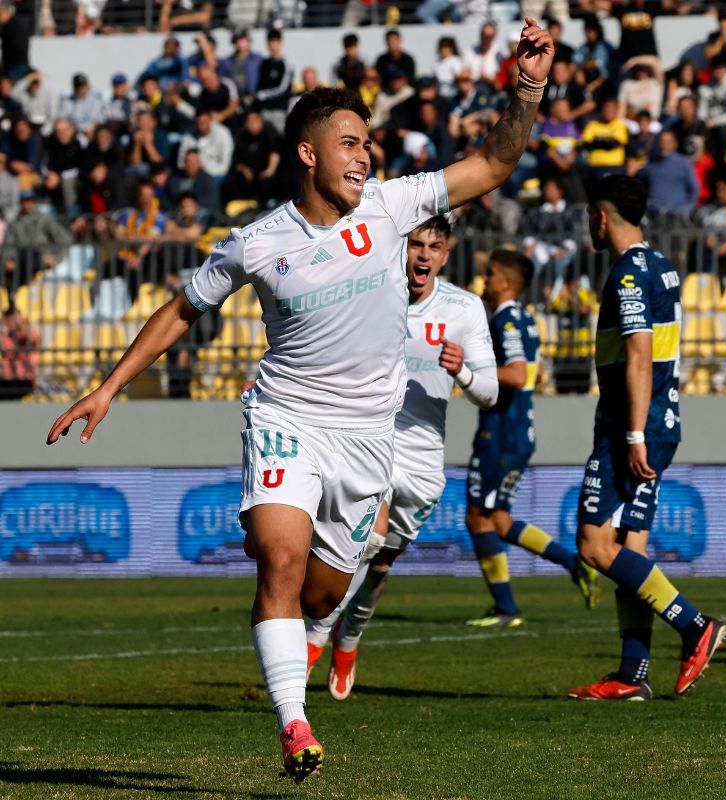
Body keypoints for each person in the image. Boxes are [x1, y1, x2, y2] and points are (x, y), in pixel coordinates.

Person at [45, 20, 556, 784]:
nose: (366, 154)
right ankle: (295, 724)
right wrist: (109, 386)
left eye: (369, 143)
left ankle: (317, 632)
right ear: (309, 153)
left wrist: (527, 86)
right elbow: (183, 309)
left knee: (320, 589)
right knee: (279, 560)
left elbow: (495, 160)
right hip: (286, 417)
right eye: (351, 142)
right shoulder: (256, 242)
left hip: (366, 440)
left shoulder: (394, 205)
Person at [305, 215, 499, 698]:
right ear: (404, 248)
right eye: (416, 244)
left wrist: (465, 374)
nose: (423, 255)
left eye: (434, 247)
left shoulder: (464, 308)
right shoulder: (374, 292)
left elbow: (492, 392)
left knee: (383, 564)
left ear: (446, 255)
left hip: (423, 461)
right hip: (370, 441)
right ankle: (314, 638)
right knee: (364, 541)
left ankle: (349, 638)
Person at [567, 174, 726, 702]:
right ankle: (631, 674)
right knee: (630, 549)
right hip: (659, 424)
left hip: (632, 426)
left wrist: (633, 433)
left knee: (593, 544)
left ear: (603, 216)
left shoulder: (629, 275)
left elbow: (639, 353)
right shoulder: (663, 266)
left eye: (592, 214)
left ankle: (694, 626)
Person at [465, 248, 599, 627]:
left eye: (489, 273)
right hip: (517, 431)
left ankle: (507, 608)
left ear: (505, 282)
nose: (485, 279)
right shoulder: (524, 319)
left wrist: (467, 371)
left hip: (501, 433)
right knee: (501, 522)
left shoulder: (506, 321)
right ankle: (574, 564)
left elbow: (518, 375)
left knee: (478, 518)